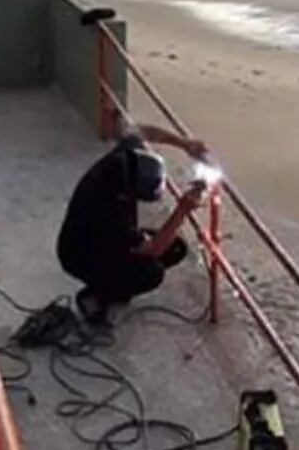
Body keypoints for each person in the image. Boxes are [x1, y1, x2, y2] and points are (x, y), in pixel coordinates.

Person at [56, 122, 209, 324]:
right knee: (151, 272)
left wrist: (184, 143)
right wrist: (183, 210)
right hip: (78, 255)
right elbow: (154, 249)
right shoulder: (111, 215)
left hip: (92, 238)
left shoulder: (125, 160)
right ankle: (100, 293)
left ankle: (113, 281)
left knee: (176, 247)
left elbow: (140, 131)